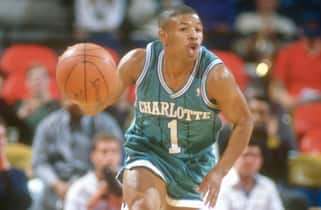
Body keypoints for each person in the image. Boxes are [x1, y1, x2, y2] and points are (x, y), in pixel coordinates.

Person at [77, 5, 253, 210]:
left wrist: (220, 172)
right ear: (164, 36)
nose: (194, 35)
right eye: (184, 29)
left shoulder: (215, 75)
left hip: (193, 164)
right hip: (147, 151)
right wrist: (79, 95)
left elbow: (244, 121)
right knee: (143, 205)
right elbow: (96, 106)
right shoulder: (138, 62)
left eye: (198, 29)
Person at [32, 99, 123, 210]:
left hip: (97, 179)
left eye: (78, 95)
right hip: (58, 183)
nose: (74, 100)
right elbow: (39, 163)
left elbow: (118, 154)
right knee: (36, 188)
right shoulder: (48, 125)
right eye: (70, 94)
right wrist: (56, 184)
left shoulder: (106, 123)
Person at [213, 137, 284, 210]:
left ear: (261, 160)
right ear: (233, 158)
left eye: (254, 155)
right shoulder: (221, 185)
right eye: (245, 155)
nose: (249, 161)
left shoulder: (268, 185)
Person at [64, 133, 123, 210]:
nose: (110, 157)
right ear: (92, 156)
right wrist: (98, 196)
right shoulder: (79, 189)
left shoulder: (130, 185)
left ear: (121, 156)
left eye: (114, 151)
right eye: (104, 152)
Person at [0, 117, 32, 210]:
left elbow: (24, 203)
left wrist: (7, 171)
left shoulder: (17, 174)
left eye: (3, 136)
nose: (1, 142)